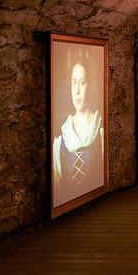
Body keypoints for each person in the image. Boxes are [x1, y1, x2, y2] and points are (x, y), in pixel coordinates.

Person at [52, 54, 104, 206]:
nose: (77, 91)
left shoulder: (100, 132)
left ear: (91, 85)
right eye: (73, 83)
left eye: (82, 82)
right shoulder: (61, 138)